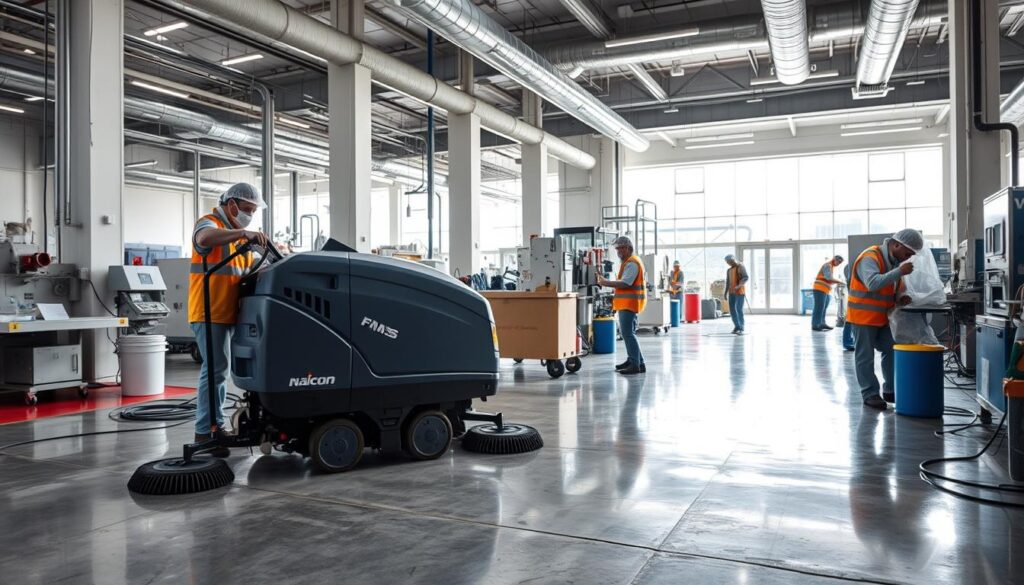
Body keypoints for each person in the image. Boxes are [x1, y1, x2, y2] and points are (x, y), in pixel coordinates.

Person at [189, 183, 269, 454]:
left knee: (225, 371)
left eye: (253, 212)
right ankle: (206, 433)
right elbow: (203, 239)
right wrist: (243, 232)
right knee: (215, 371)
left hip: (231, 312)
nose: (249, 216)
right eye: (247, 210)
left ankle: (214, 425)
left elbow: (251, 270)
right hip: (208, 310)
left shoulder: (240, 239)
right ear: (231, 204)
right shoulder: (209, 222)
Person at [848, 229, 922, 410]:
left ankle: (890, 389)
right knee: (865, 357)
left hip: (882, 317)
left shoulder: (894, 262)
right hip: (863, 318)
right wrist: (899, 272)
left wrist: (899, 298)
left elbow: (890, 288)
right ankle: (870, 393)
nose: (908, 258)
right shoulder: (870, 257)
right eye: (907, 253)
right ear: (896, 245)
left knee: (891, 349)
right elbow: (872, 283)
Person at [597, 236, 647, 375]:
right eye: (617, 248)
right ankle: (637, 361)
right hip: (628, 303)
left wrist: (606, 282)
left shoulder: (632, 263)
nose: (618, 251)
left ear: (628, 248)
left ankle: (634, 364)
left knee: (627, 334)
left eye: (620, 248)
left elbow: (626, 283)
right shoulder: (630, 262)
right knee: (629, 333)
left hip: (629, 304)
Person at [811, 255, 845, 331]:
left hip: (825, 289)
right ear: (834, 259)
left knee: (823, 307)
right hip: (819, 288)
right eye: (838, 262)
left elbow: (828, 279)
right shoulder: (828, 265)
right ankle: (815, 325)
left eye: (840, 263)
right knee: (819, 307)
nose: (839, 264)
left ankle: (822, 323)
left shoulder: (831, 266)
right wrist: (840, 282)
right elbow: (828, 277)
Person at [725, 254, 748, 334]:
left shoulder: (740, 267)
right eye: (728, 262)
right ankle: (737, 326)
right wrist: (725, 293)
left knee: (738, 309)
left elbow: (745, 277)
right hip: (731, 292)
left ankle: (741, 327)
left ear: (734, 259)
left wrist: (739, 286)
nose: (730, 263)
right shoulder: (729, 270)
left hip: (739, 292)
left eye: (731, 261)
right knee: (732, 310)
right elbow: (728, 282)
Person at [841, 263, 855, 351]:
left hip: (854, 300)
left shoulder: (849, 268)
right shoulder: (850, 268)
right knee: (850, 319)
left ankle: (848, 342)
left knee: (849, 319)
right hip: (855, 301)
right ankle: (847, 342)